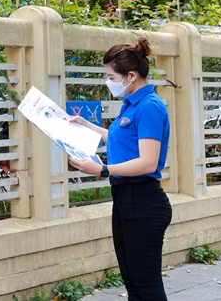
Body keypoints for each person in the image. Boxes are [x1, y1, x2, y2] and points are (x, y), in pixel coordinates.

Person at [69, 37, 171, 300]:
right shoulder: (131, 104)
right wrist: (85, 125)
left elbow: (148, 161)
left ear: (131, 76)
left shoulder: (149, 108)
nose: (108, 81)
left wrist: (102, 170)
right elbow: (117, 139)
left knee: (146, 285)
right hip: (126, 200)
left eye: (111, 76)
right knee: (133, 283)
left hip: (144, 201)